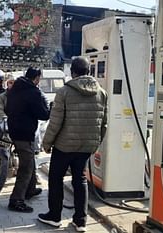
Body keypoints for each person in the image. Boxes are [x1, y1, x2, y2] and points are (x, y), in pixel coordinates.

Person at [38, 56, 108, 232]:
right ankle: (81, 221)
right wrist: (96, 143)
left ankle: (54, 217)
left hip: (64, 146)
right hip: (86, 146)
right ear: (88, 71)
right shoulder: (101, 92)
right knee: (80, 180)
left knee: (55, 179)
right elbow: (104, 123)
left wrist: (47, 143)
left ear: (72, 72)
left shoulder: (64, 92)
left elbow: (55, 122)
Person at [6, 67, 50, 213]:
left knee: (29, 161)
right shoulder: (33, 92)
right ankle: (16, 200)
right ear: (37, 78)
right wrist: (50, 107)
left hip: (14, 131)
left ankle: (30, 190)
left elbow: (7, 108)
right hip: (25, 133)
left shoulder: (15, 89)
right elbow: (44, 115)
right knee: (26, 167)